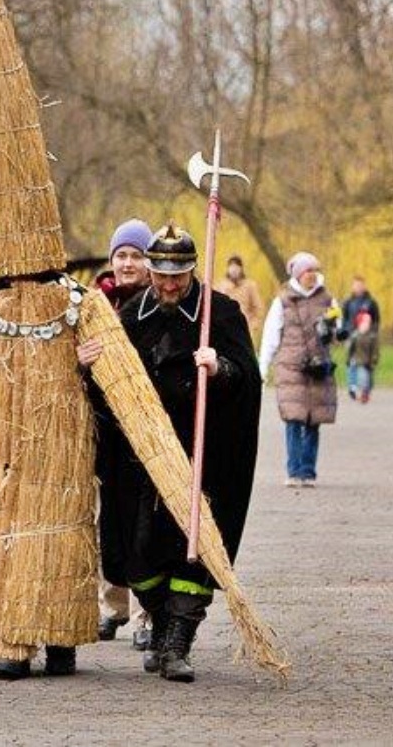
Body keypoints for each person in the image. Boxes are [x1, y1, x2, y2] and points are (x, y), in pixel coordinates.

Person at [95, 224, 262, 683]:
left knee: (190, 550)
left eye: (179, 277)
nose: (169, 286)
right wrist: (91, 361)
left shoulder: (220, 314)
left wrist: (220, 368)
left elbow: (249, 378)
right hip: (139, 460)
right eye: (162, 276)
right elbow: (106, 386)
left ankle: (177, 644)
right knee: (135, 552)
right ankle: (163, 624)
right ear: (151, 270)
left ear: (191, 271)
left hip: (201, 455)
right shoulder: (131, 315)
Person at [88, 218, 153, 651]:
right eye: (121, 255)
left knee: (144, 522)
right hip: (102, 424)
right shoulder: (96, 304)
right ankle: (113, 606)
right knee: (102, 519)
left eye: (136, 255)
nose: (128, 263)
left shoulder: (155, 302)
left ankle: (148, 611)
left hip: (146, 426)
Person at [258, 251, 345, 488]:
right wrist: (263, 366)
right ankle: (294, 470)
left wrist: (336, 331)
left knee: (314, 420)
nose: (312, 275)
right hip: (291, 367)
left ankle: (308, 470)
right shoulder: (283, 300)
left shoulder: (328, 299)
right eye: (308, 271)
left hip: (319, 366)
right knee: (294, 419)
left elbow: (338, 334)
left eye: (315, 270)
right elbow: (271, 336)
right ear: (298, 274)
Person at [213, 254, 265, 344]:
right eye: (231, 267)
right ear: (228, 269)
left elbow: (258, 309)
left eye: (236, 267)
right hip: (224, 331)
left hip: (244, 331)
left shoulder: (250, 286)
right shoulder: (220, 286)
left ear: (241, 269)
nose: (234, 270)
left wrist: (252, 326)